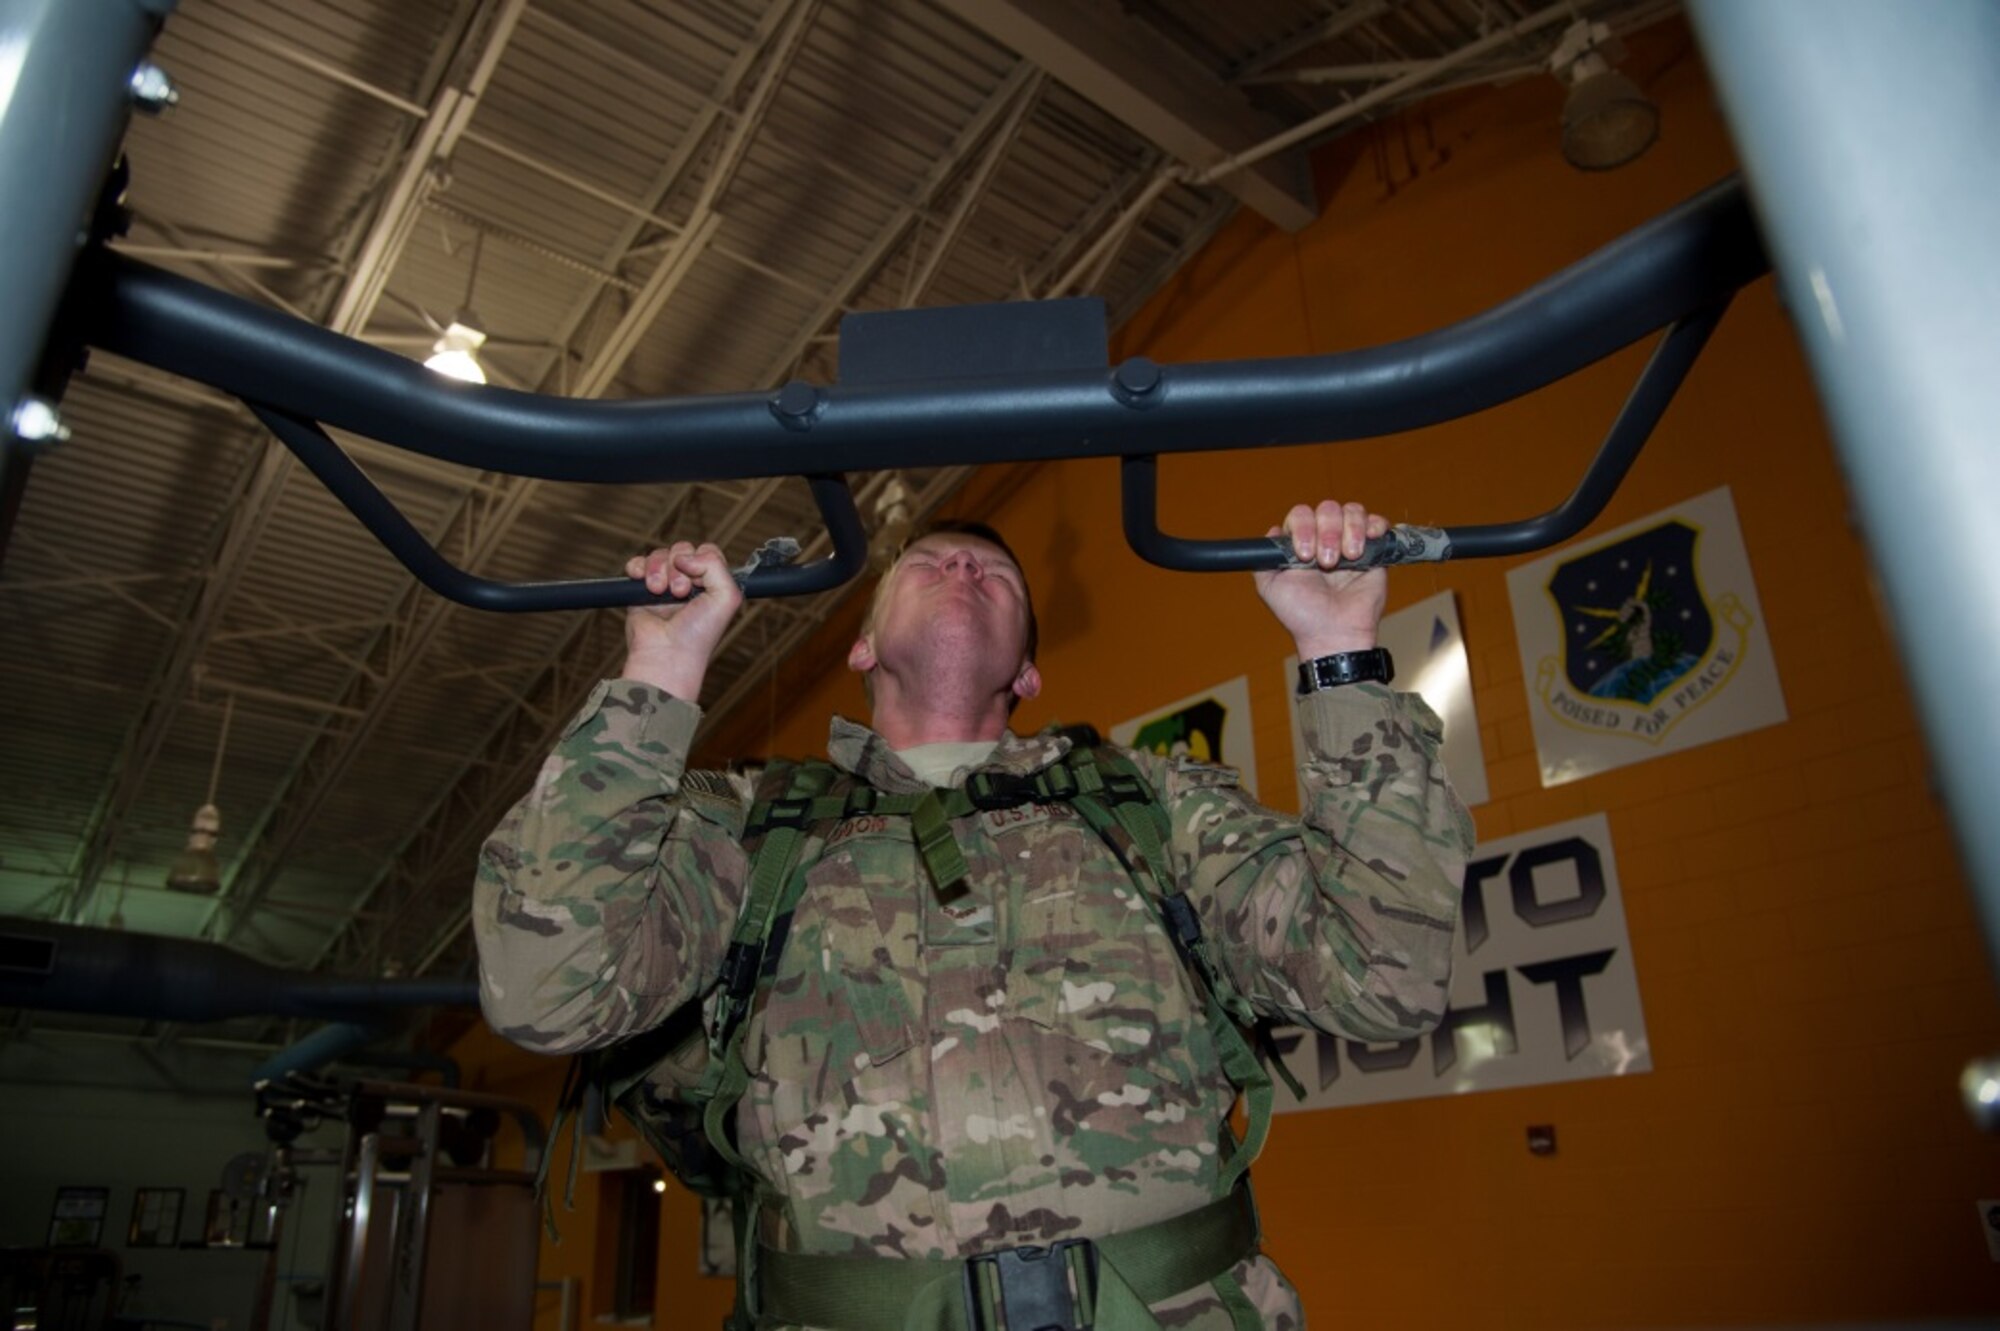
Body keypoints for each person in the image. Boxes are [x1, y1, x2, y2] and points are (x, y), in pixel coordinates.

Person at [474, 500, 1473, 1330]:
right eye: (927, 561)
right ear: (858, 646)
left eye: (994, 570)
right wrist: (656, 678)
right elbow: (547, 988)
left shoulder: (1153, 806)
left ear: (1028, 671)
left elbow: (1381, 978)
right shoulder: (743, 830)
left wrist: (1338, 650)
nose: (960, 562)